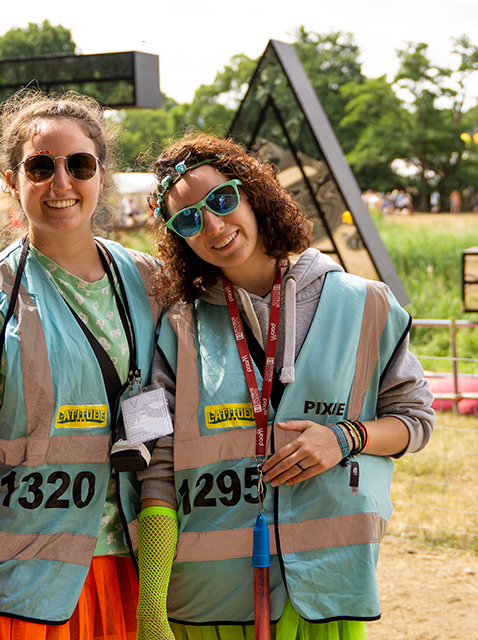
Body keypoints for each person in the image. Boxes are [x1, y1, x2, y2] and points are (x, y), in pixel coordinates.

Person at [135, 133, 435, 640]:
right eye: (187, 219)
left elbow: (415, 421)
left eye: (222, 200)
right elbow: (159, 467)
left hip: (323, 592)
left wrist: (346, 438)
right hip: (209, 602)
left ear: (252, 192)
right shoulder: (178, 326)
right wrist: (150, 608)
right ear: (178, 237)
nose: (213, 225)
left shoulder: (364, 304)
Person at [0, 89, 161, 640]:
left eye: (79, 165)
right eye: (40, 167)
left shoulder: (152, 283)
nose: (62, 183)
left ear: (102, 174)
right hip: (32, 590)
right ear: (11, 180)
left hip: (142, 576)